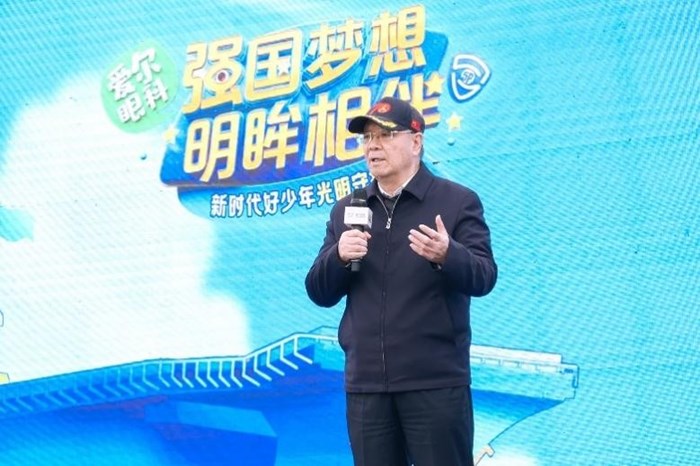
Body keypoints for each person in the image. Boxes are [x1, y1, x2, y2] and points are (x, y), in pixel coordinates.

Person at [305, 96, 497, 466]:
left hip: (434, 383)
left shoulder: (456, 202)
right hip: (367, 388)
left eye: (386, 135)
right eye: (367, 138)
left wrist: (448, 254)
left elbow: (484, 275)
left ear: (416, 141)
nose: (373, 146)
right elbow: (318, 290)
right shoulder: (348, 210)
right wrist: (339, 256)